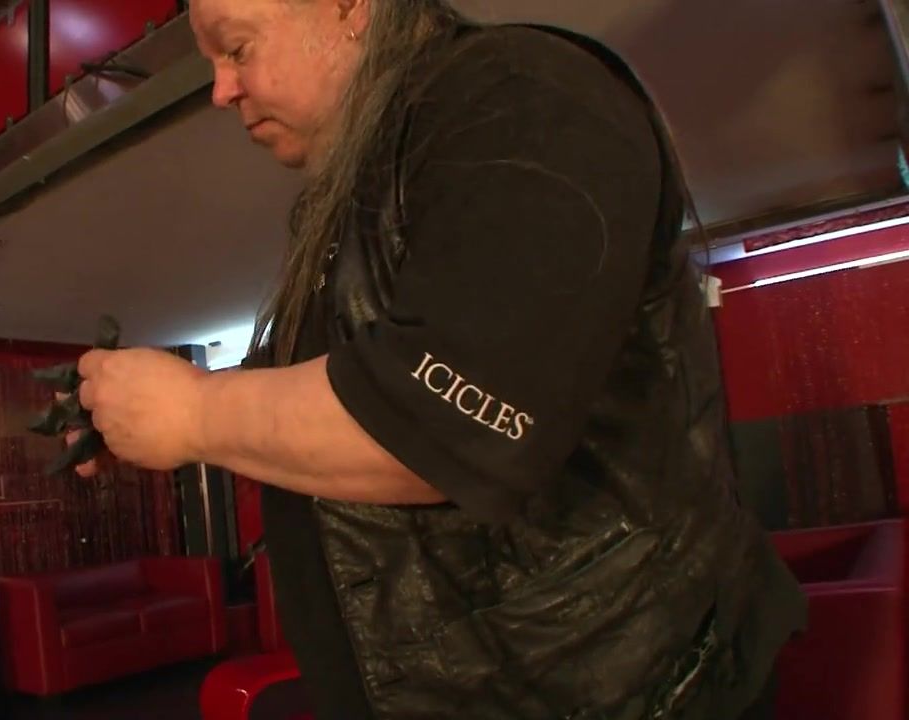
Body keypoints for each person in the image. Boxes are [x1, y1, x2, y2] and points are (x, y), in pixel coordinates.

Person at [71, 0, 808, 718]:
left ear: (348, 7)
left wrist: (194, 412)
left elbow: (446, 423)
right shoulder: (355, 191)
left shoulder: (518, 92)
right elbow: (328, 393)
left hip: (616, 693)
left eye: (236, 48)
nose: (220, 90)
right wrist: (137, 409)